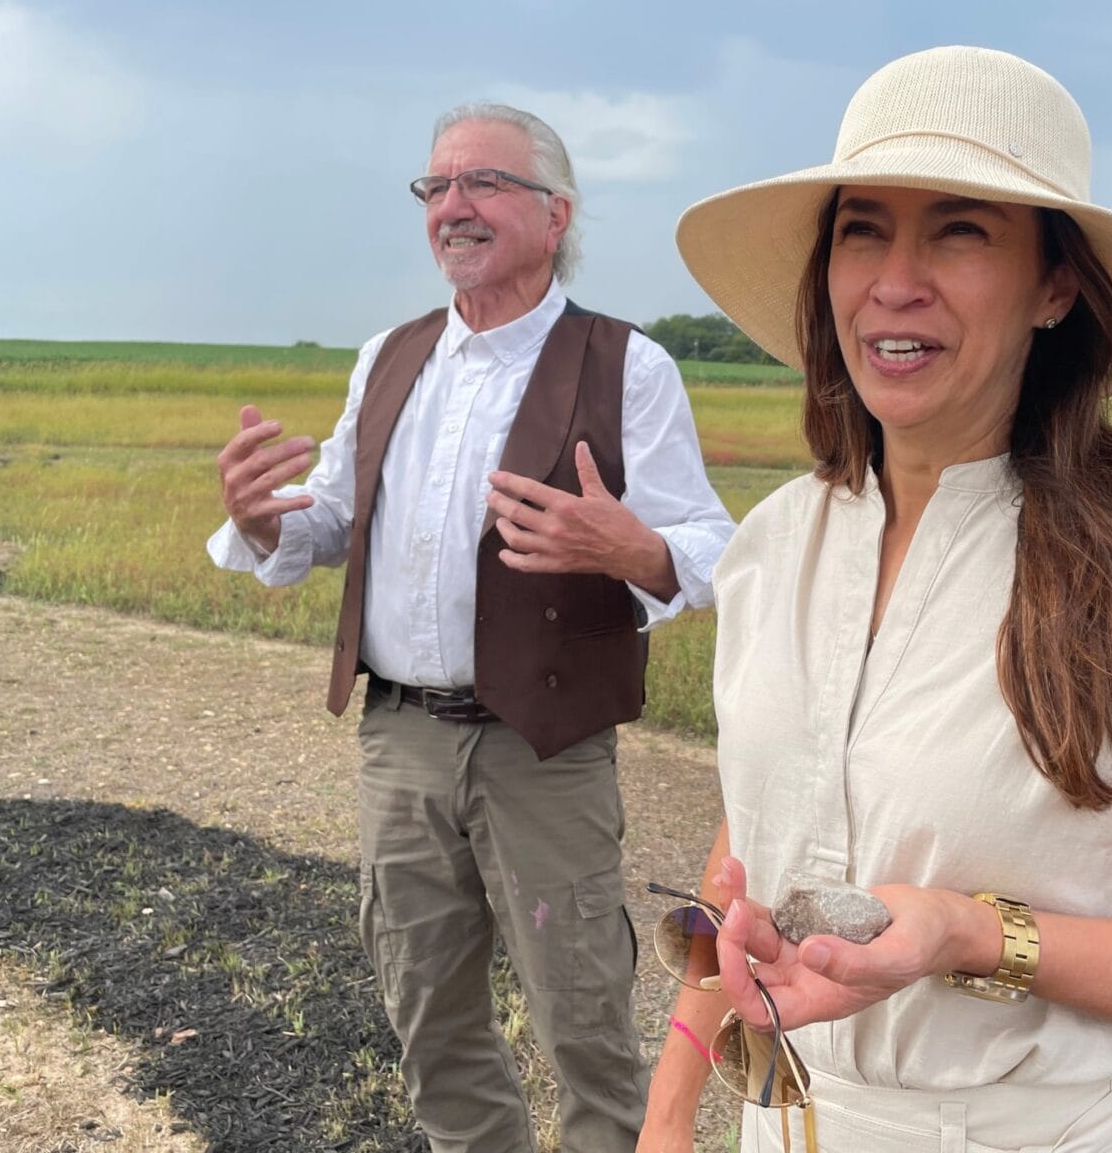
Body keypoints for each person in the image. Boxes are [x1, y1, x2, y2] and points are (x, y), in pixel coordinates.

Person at [638, 47, 1112, 1152]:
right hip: (790, 1128)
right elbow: (751, 851)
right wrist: (669, 1116)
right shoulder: (777, 545)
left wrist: (968, 934)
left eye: (959, 230)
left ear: (1056, 285)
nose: (893, 280)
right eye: (863, 228)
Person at [208, 102, 735, 1153]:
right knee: (427, 1011)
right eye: (435, 187)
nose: (453, 206)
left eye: (484, 183)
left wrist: (627, 548)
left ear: (556, 215)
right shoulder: (390, 357)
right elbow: (335, 519)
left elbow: (712, 546)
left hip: (543, 746)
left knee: (582, 1018)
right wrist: (264, 520)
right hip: (397, 739)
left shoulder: (625, 365)